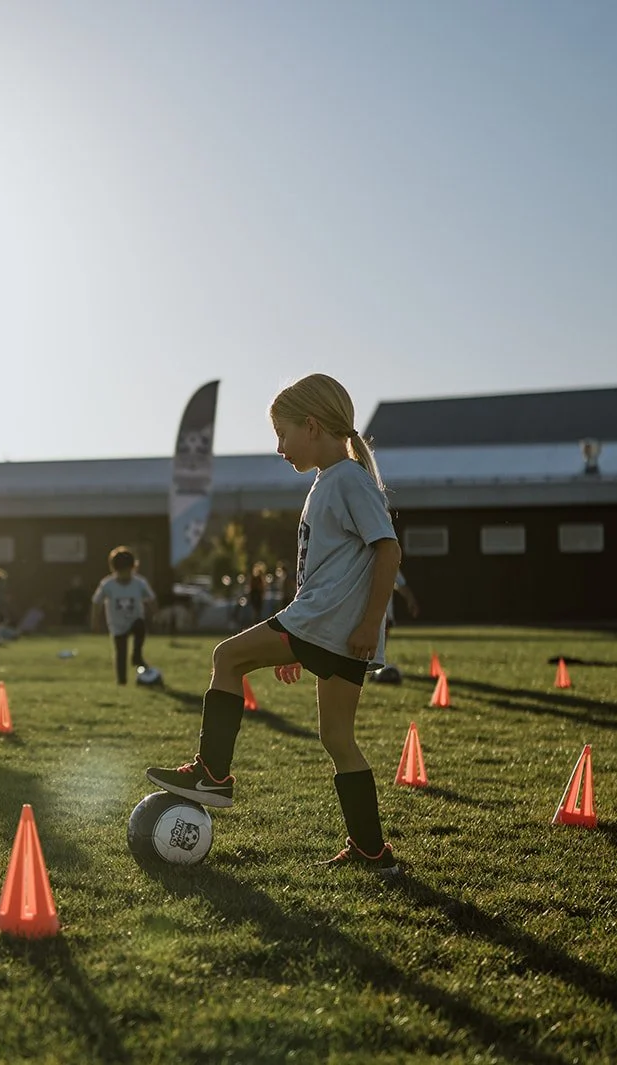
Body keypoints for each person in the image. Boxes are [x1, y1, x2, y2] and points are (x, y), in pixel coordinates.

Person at [145, 373, 403, 874]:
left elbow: (388, 550)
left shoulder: (347, 479)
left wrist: (368, 624)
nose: (279, 447)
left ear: (311, 426)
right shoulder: (329, 481)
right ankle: (373, 855)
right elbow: (328, 569)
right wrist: (304, 640)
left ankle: (213, 774)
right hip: (326, 630)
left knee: (226, 657)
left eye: (282, 434)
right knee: (337, 740)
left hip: (329, 626)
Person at [92, 546, 157, 685]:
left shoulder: (139, 583)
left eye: (128, 571)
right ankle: (121, 681)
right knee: (120, 652)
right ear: (114, 570)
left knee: (140, 626)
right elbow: (96, 602)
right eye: (121, 572)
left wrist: (155, 613)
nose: (125, 575)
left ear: (133, 567)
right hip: (117, 624)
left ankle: (136, 656)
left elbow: (151, 599)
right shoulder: (107, 584)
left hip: (135, 620)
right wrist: (95, 621)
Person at [372, 569, 421, 683]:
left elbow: (400, 583)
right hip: (367, 612)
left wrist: (410, 600)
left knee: (380, 643)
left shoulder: (388, 557)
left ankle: (374, 667)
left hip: (385, 613)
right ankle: (370, 667)